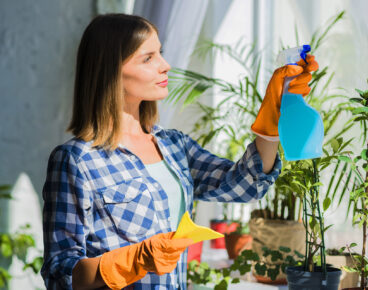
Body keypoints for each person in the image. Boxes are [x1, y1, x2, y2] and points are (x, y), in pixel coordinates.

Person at [41, 13, 318, 290]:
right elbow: (59, 273)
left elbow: (246, 184)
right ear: (111, 70)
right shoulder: (77, 161)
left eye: (159, 53)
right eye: (148, 58)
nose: (165, 65)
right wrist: (133, 260)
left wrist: (274, 107)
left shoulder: (174, 146)